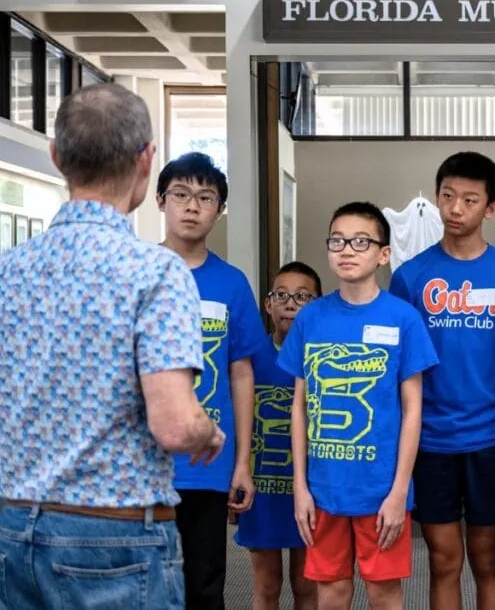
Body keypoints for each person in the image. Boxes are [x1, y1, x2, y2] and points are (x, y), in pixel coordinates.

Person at [0, 83, 225, 609]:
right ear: (146, 159)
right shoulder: (155, 271)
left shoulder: (9, 269)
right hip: (113, 536)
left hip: (12, 526)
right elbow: (175, 425)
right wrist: (207, 431)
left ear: (57, 157)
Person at [278, 202, 438, 610]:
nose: (347, 249)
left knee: (383, 591)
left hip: (380, 489)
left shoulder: (403, 318)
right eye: (337, 240)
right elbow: (299, 407)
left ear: (383, 254)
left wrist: (399, 491)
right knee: (330, 590)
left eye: (360, 241)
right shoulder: (311, 318)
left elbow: (413, 411)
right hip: (323, 489)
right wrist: (300, 487)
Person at [389, 152, 495, 610]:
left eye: (470, 200)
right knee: (443, 560)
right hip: (430, 438)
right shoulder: (409, 278)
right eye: (447, 196)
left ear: (491, 208)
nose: (455, 208)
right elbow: (400, 370)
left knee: (487, 560)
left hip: (492, 437)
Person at [157, 152, 266, 609]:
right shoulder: (136, 271)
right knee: (145, 585)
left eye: (205, 198)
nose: (192, 206)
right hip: (143, 463)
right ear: (161, 200)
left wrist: (243, 463)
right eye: (181, 194)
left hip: (208, 462)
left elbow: (242, 373)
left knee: (204, 585)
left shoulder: (232, 283)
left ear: (219, 210)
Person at [235, 262, 323, 610]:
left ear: (317, 304)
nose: (290, 304)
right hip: (262, 489)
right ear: (268, 304)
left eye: (302, 296)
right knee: (266, 584)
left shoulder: (322, 355)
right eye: (281, 295)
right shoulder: (251, 356)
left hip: (309, 491)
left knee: (306, 585)